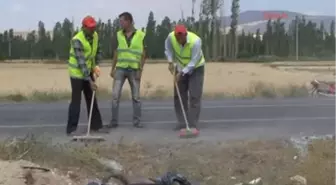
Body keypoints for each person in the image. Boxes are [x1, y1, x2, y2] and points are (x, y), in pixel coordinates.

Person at [66, 15, 107, 135]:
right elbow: (81, 62)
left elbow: (98, 51)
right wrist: (89, 81)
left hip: (89, 70)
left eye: (94, 27)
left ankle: (96, 126)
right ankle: (72, 129)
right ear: (83, 27)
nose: (92, 30)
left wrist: (97, 66)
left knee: (91, 98)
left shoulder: (95, 36)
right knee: (76, 101)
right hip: (77, 73)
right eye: (90, 28)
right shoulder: (77, 40)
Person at [109, 12, 147, 128]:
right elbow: (116, 52)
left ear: (129, 21)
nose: (120, 24)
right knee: (115, 96)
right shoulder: (118, 35)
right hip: (120, 69)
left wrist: (140, 70)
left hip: (134, 70)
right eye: (120, 21)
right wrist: (113, 68)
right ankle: (114, 121)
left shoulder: (141, 35)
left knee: (136, 97)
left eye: (122, 21)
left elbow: (144, 54)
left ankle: (137, 122)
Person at [164, 24, 205, 131]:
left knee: (194, 96)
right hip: (180, 66)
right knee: (179, 96)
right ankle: (182, 123)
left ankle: (192, 124)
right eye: (177, 37)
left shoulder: (196, 41)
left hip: (196, 68)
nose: (179, 39)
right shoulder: (170, 37)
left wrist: (181, 73)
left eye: (181, 37)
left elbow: (193, 62)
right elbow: (168, 49)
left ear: (185, 34)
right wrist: (170, 62)